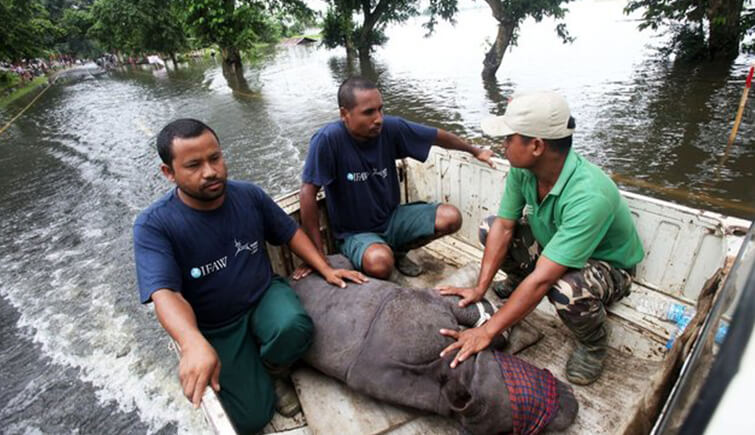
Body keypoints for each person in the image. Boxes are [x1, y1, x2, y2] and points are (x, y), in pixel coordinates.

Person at [132, 119, 366, 434]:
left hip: (263, 296)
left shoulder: (248, 195)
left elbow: (289, 232)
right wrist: (191, 342)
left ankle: (273, 368)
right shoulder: (154, 226)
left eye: (215, 158)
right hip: (216, 325)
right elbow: (165, 293)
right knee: (249, 418)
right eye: (194, 165)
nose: (210, 171)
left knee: (294, 326)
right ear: (169, 173)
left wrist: (325, 267)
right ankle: (251, 367)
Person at [437, 91, 644, 385]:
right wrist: (480, 288)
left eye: (509, 138)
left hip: (608, 266)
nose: (503, 144)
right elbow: (505, 226)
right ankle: (515, 279)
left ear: (536, 146)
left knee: (564, 289)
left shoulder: (589, 195)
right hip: (553, 245)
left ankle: (594, 345)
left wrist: (486, 331)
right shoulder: (525, 171)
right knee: (489, 227)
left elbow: (544, 280)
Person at [297, 76, 496, 280]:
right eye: (368, 112)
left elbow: (437, 136)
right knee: (380, 263)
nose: (378, 118)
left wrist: (475, 150)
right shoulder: (328, 140)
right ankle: (381, 252)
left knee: (451, 217)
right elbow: (307, 194)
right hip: (355, 233)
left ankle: (398, 251)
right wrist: (318, 257)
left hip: (392, 219)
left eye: (380, 109)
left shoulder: (389, 129)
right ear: (344, 114)